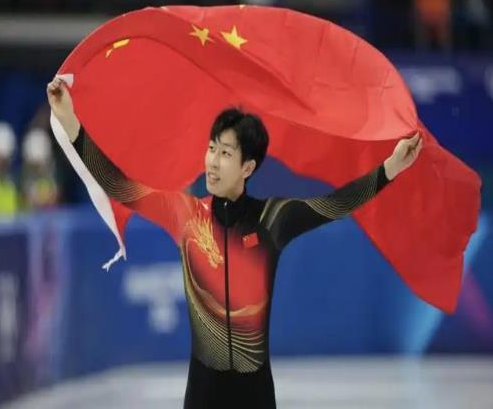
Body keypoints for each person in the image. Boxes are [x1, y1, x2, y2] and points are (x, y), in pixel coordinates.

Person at [47, 76, 423, 409]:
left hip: (255, 396)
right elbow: (118, 186)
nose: (212, 161)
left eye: (225, 153)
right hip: (202, 394)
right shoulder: (185, 214)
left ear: (248, 167)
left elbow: (335, 205)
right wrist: (69, 122)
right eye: (211, 148)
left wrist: (390, 168)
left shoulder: (271, 219)